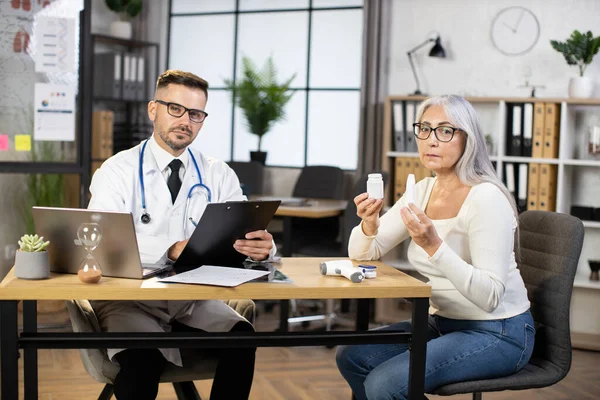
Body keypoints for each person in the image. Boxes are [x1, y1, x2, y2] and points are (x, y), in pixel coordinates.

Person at [88, 69, 275, 400]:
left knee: (242, 339)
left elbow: (239, 238)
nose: (185, 121)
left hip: (190, 299)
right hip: (129, 301)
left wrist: (258, 248)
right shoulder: (117, 171)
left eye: (195, 114)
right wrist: (170, 249)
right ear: (153, 109)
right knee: (142, 360)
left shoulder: (218, 173)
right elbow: (103, 242)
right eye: (175, 109)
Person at [336, 95, 535, 400]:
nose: (431, 140)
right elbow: (363, 254)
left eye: (444, 131)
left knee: (386, 384)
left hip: (498, 331)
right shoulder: (423, 190)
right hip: (441, 321)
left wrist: (434, 245)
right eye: (424, 129)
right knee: (352, 355)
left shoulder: (486, 198)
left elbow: (491, 297)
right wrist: (369, 224)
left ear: (467, 139)